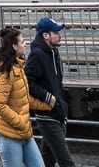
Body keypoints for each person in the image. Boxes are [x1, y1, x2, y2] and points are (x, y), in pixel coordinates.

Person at [0, 25, 51, 167]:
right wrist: (20, 122)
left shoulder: (19, 68)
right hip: (9, 137)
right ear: (14, 46)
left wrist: (47, 105)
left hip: (25, 134)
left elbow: (23, 98)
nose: (25, 44)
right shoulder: (6, 72)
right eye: (22, 41)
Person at [24, 17, 77, 167]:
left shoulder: (53, 53)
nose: (59, 35)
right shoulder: (37, 55)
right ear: (46, 35)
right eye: (56, 32)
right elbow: (27, 82)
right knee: (65, 161)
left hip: (57, 112)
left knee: (46, 159)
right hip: (47, 115)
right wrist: (49, 98)